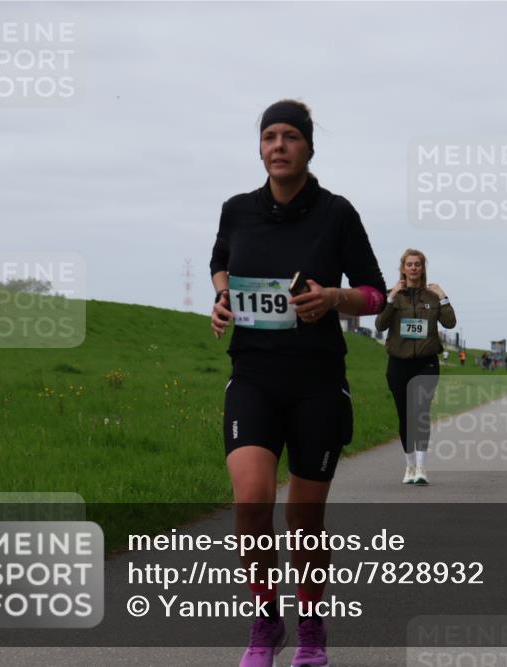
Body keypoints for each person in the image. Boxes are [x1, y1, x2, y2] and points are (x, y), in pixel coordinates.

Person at [209, 99, 387, 667]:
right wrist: (222, 297)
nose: (278, 146)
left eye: (290, 136)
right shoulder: (237, 209)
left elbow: (376, 294)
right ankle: (266, 623)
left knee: (304, 522)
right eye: (269, 137)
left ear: (309, 147)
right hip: (253, 376)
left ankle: (311, 629)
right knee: (251, 501)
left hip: (317, 382)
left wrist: (334, 298)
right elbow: (220, 262)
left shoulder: (337, 213)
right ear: (259, 147)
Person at [375, 248, 456, 486]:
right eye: (409, 264)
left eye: (417, 264)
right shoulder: (393, 296)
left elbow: (450, 323)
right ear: (403, 268)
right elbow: (380, 324)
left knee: (420, 413)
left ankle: (421, 467)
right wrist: (390, 299)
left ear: (422, 268)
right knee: (405, 416)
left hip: (426, 363)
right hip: (398, 363)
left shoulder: (432, 296)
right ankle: (409, 465)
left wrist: (443, 297)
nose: (413, 268)